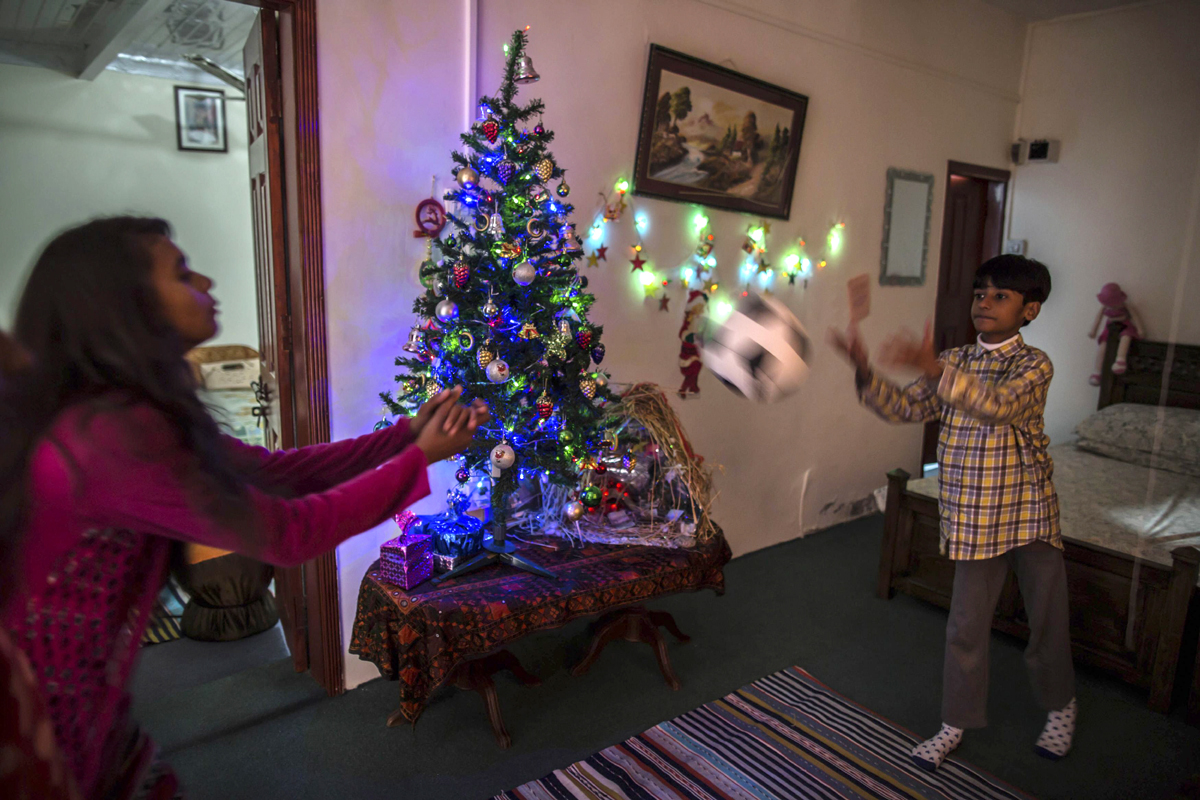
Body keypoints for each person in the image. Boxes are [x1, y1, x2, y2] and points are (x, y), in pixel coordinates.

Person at [0, 217, 489, 799]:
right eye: (181, 273)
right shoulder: (109, 434)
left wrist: (405, 436)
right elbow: (287, 532)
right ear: (127, 306)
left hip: (87, 706)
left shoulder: (132, 413)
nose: (205, 279)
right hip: (35, 716)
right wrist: (418, 460)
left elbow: (277, 472)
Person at [829, 254, 1075, 770]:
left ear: (1029, 311)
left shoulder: (1035, 364)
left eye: (999, 295)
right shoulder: (953, 358)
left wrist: (935, 369)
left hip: (1028, 513)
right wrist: (863, 366)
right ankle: (955, 723)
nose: (984, 302)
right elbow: (904, 408)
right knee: (964, 628)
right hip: (975, 518)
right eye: (979, 292)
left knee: (1047, 623)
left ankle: (1060, 705)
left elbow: (998, 405)